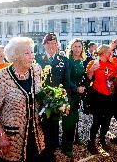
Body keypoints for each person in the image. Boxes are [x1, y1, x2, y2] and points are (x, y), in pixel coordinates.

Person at [0, 37, 45, 162]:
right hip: (12, 139)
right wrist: (0, 135)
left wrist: (54, 105)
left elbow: (40, 97)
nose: (32, 56)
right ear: (16, 56)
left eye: (32, 52)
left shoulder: (36, 70)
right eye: (27, 53)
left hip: (36, 135)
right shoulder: (1, 76)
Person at [35, 32, 70, 161]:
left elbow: (66, 82)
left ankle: (51, 152)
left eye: (54, 43)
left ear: (57, 45)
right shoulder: (37, 59)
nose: (51, 46)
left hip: (56, 101)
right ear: (44, 45)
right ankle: (42, 150)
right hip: (40, 100)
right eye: (48, 43)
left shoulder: (63, 60)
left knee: (54, 126)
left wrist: (66, 102)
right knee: (41, 126)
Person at [86, 45, 117, 154]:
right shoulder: (94, 63)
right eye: (109, 52)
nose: (111, 53)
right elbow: (89, 78)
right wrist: (91, 70)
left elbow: (114, 80)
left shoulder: (112, 64)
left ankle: (102, 139)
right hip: (98, 96)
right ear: (103, 52)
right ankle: (91, 142)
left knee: (107, 120)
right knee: (97, 121)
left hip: (110, 96)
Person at [62, 38, 87, 157]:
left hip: (78, 95)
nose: (77, 49)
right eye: (75, 46)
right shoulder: (68, 61)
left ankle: (75, 137)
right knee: (68, 121)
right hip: (69, 93)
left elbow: (84, 77)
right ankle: (67, 146)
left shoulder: (82, 61)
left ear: (82, 48)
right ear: (71, 48)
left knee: (75, 118)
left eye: (79, 46)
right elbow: (66, 79)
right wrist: (76, 88)